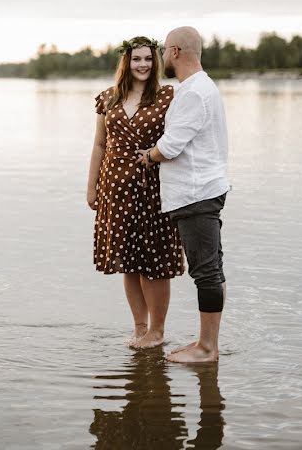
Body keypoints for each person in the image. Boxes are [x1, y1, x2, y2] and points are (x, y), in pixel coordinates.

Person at [137, 26, 231, 363]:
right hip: (204, 189)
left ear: (176, 51)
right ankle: (206, 342)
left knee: (205, 271)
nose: (162, 57)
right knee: (211, 269)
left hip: (196, 193)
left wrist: (148, 155)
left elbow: (172, 146)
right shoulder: (201, 88)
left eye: (163, 50)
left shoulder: (192, 92)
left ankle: (207, 348)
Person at [88, 36, 185, 349]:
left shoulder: (168, 96)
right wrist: (92, 187)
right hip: (115, 187)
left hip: (153, 187)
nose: (142, 64)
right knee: (127, 260)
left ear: (155, 62)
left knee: (154, 261)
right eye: (136, 59)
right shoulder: (109, 98)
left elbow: (179, 141)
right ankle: (139, 326)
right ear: (126, 63)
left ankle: (157, 330)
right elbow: (100, 145)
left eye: (147, 58)